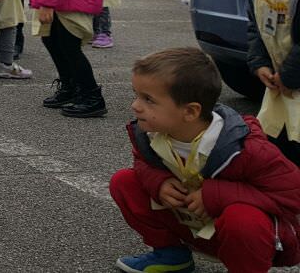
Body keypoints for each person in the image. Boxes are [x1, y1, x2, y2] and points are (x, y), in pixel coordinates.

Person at [109, 47, 300, 273]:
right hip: (195, 227)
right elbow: (142, 162)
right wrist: (158, 182)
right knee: (124, 181)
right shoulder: (149, 134)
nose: (135, 106)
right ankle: (171, 255)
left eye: (148, 99)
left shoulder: (246, 148)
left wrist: (214, 194)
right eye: (136, 95)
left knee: (243, 218)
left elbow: (292, 195)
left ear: (190, 112)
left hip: (242, 236)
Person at [243, 0, 300, 167]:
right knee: (278, 151)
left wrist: (290, 75)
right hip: (280, 85)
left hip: (293, 78)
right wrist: (259, 62)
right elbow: (255, 24)